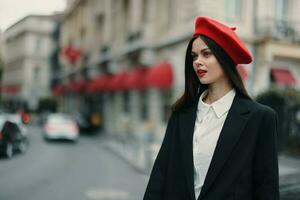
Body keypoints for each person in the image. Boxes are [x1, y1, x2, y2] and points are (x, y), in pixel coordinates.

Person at [143, 16, 279, 200]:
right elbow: (160, 176)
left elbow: (266, 188)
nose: (197, 61)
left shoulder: (260, 118)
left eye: (206, 54)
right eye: (194, 56)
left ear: (225, 58)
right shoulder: (181, 113)